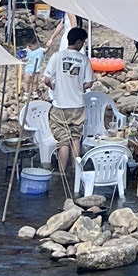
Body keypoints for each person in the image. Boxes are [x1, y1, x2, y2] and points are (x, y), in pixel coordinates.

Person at [42, 23, 91, 177]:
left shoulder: (57, 56)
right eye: (83, 42)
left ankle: (62, 172)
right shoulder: (84, 60)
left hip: (60, 106)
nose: (83, 45)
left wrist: (53, 86)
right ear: (78, 43)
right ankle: (76, 171)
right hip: (77, 105)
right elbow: (88, 83)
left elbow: (46, 79)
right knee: (75, 138)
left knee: (63, 140)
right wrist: (79, 87)